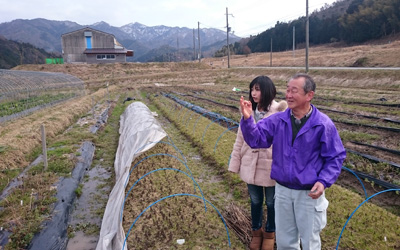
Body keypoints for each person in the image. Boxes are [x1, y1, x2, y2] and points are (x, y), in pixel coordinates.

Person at [239, 73, 346, 250]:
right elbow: (256, 140)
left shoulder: (322, 124)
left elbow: (335, 156)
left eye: (294, 91)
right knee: (285, 241)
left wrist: (323, 180)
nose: (288, 95)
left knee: (310, 241)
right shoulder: (277, 120)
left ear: (309, 95)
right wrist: (248, 119)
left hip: (308, 193)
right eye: (287, 90)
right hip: (282, 190)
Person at [229, 75, 288, 250]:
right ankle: (256, 232)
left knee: (271, 202)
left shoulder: (279, 112)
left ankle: (270, 233)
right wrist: (235, 162)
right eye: (252, 89)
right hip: (250, 164)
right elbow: (240, 139)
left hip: (270, 166)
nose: (254, 93)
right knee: (255, 201)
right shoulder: (248, 111)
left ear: (268, 90)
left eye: (258, 89)